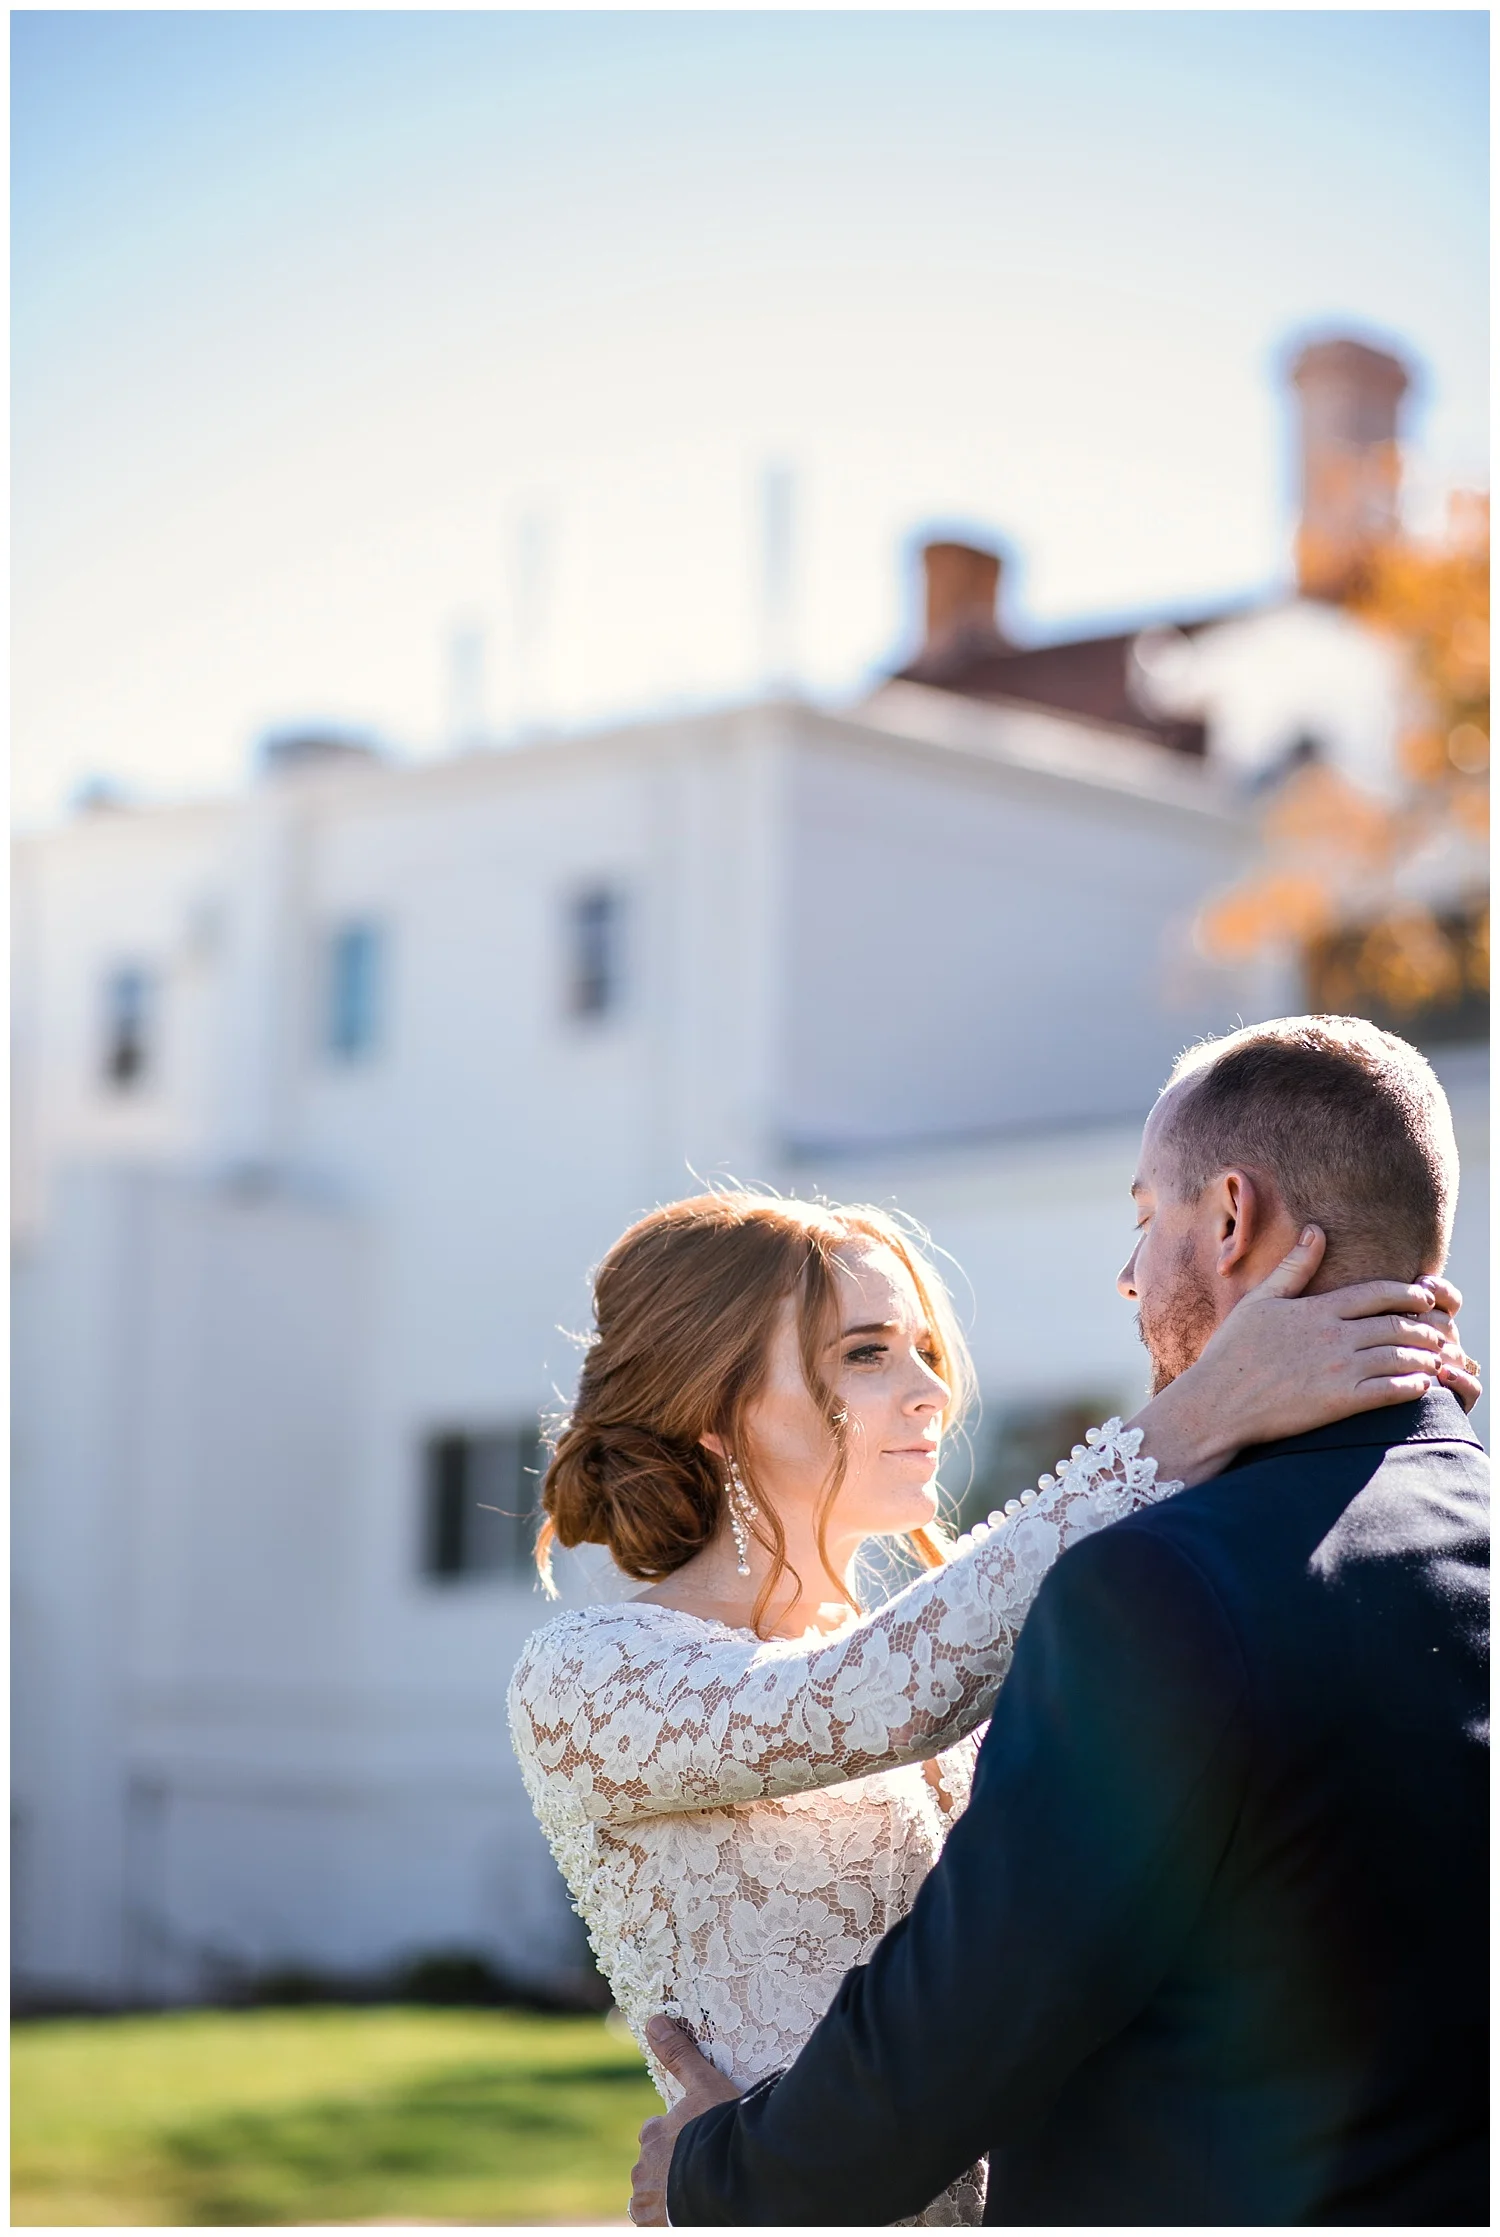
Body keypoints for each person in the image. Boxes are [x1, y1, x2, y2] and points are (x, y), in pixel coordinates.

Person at [508, 1122, 1476, 2226]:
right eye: (865, 1353)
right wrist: (1202, 1411)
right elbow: (873, 1696)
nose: (930, 1390)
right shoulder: (586, 1674)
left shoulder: (958, 1640)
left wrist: (1364, 1436)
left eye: (923, 1347)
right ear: (716, 1410)